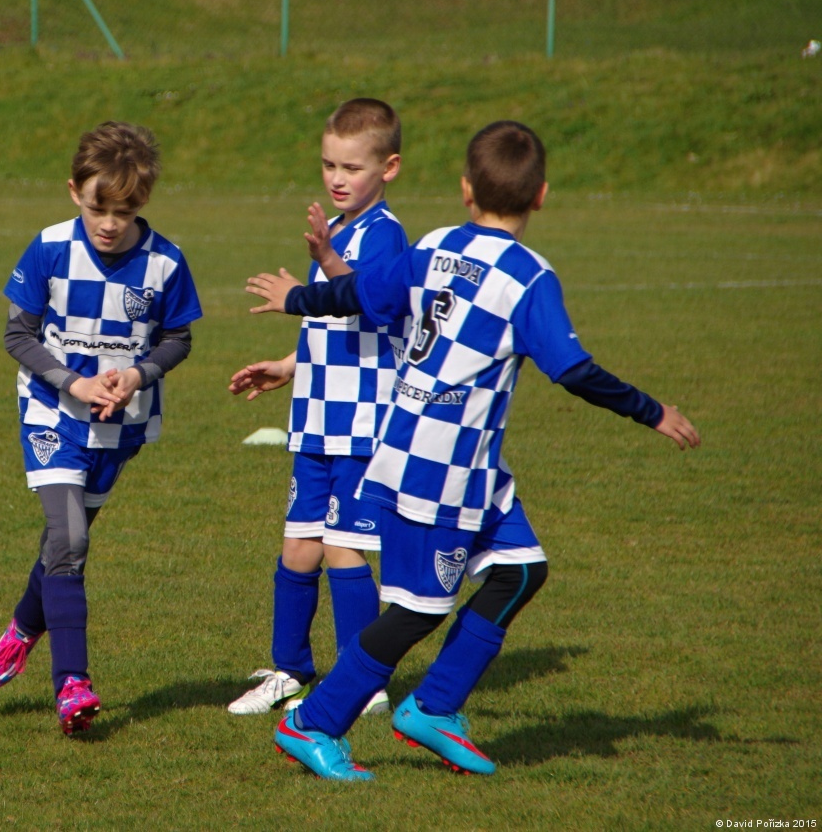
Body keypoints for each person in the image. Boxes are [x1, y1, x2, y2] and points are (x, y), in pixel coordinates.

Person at [244, 120, 700, 780]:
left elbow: (359, 292)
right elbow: (572, 369)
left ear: (465, 189)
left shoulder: (434, 246)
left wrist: (298, 297)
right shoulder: (528, 276)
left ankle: (434, 707)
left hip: (464, 461)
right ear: (540, 195)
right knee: (417, 610)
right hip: (440, 467)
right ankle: (314, 722)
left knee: (521, 570)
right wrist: (653, 411)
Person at [0, 121, 202, 735]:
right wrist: (72, 383)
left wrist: (138, 375)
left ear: (143, 202)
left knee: (63, 544)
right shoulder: (50, 248)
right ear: (75, 190)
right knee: (70, 539)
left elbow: (179, 339)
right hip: (51, 410)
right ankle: (72, 684)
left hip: (119, 423)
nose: (109, 224)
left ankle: (24, 626)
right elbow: (17, 334)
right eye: (99, 208)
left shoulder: (165, 262)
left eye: (124, 212)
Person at [227, 99, 408, 717]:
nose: (337, 178)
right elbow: (332, 324)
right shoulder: (339, 227)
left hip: (360, 423)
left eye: (352, 168)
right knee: (298, 547)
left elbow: (370, 302)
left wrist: (320, 272)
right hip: (316, 418)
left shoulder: (384, 233)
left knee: (343, 547)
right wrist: (288, 365)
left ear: (388, 168)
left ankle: (366, 684)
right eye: (329, 165)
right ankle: (289, 670)